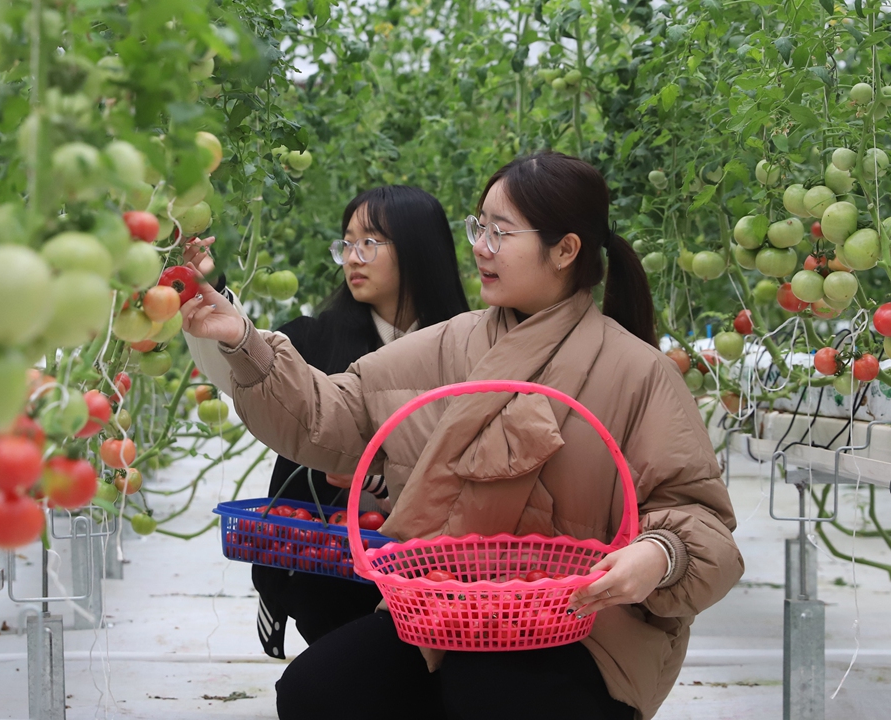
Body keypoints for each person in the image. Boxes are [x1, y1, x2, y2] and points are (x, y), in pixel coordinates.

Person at [181, 152, 744, 720]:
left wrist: (658, 555)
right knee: (318, 690)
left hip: (587, 626)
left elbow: (698, 518)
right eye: (479, 227)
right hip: (447, 613)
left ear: (566, 249)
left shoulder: (637, 371)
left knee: (487, 691)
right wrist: (242, 341)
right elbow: (338, 411)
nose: (481, 246)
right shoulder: (452, 344)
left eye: (502, 232)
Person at [181, 185, 470, 659]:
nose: (352, 257)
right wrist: (209, 293)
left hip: (431, 565)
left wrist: (384, 477)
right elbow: (243, 375)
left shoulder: (467, 347)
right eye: (347, 243)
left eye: (369, 243)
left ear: (420, 250)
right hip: (327, 563)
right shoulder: (312, 340)